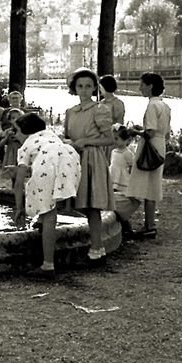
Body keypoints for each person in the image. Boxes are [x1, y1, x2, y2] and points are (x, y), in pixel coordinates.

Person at [13, 112, 81, 276]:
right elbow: (48, 159)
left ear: (26, 132)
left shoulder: (26, 145)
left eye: (17, 131)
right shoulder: (50, 135)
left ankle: (47, 265)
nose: (15, 135)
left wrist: (18, 208)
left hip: (50, 164)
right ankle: (41, 221)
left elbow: (18, 182)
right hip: (70, 158)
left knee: (49, 212)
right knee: (49, 198)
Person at [64, 67, 115, 265]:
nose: (84, 90)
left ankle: (96, 248)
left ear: (94, 88)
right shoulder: (71, 111)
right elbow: (68, 136)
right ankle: (97, 246)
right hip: (74, 158)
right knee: (78, 203)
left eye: (88, 86)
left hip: (92, 159)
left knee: (92, 206)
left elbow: (109, 139)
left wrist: (86, 141)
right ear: (74, 88)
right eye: (80, 86)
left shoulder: (100, 110)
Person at [125, 72, 171, 239]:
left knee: (141, 184)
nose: (140, 88)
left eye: (142, 85)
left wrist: (134, 131)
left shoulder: (152, 106)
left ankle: (136, 221)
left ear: (150, 86)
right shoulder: (164, 106)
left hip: (149, 147)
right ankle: (149, 224)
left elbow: (149, 132)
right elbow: (164, 132)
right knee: (152, 186)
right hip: (160, 146)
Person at [110, 124, 140, 235]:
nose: (115, 141)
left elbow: (132, 165)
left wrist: (132, 177)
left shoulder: (127, 153)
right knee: (114, 196)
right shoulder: (114, 151)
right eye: (114, 138)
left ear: (125, 139)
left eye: (117, 139)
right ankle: (119, 219)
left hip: (123, 177)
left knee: (123, 196)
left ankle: (125, 219)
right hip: (114, 176)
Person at [0, 108, 27, 188]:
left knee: (20, 175)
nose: (16, 120)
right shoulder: (8, 131)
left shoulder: (24, 131)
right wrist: (6, 137)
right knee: (12, 174)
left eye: (18, 118)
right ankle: (14, 190)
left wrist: (17, 135)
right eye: (13, 118)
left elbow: (24, 142)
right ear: (10, 120)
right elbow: (1, 144)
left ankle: (21, 189)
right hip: (11, 154)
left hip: (21, 154)